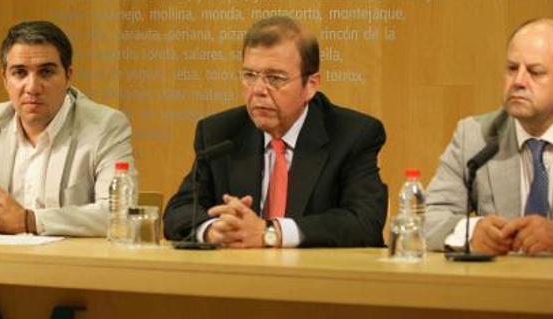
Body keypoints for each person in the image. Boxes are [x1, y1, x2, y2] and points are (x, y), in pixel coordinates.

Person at [163, 16, 388, 248]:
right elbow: (179, 211)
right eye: (250, 75)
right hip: (238, 279)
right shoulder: (219, 133)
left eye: (275, 78)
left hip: (316, 280)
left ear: (311, 85)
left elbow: (364, 222)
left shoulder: (353, 135)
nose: (259, 90)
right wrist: (214, 231)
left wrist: (271, 232)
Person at [424, 18, 553, 256]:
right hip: (501, 288)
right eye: (511, 68)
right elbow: (426, 218)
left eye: (534, 72)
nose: (518, 81)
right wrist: (470, 232)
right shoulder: (474, 135)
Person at [0, 21, 132, 236]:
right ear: (5, 79)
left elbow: (119, 214)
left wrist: (29, 221)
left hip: (67, 267)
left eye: (46, 72)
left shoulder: (105, 126)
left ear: (68, 76)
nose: (32, 87)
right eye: (19, 73)